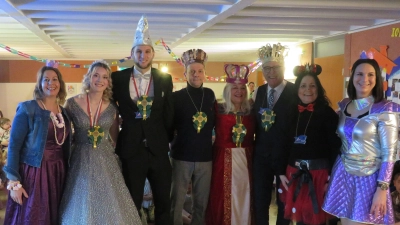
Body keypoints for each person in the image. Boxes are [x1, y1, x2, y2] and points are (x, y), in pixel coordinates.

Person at [59, 60, 141, 224]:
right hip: (80, 157)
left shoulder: (112, 107)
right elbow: (64, 132)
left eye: (104, 77)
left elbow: (114, 136)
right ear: (89, 77)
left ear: (108, 82)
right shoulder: (72, 103)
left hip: (105, 158)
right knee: (82, 196)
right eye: (96, 75)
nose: (99, 80)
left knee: (108, 198)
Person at [111, 15, 174, 224]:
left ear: (153, 53)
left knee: (164, 201)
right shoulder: (117, 79)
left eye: (147, 51)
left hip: (158, 150)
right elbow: (110, 110)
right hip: (131, 149)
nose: (143, 55)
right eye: (139, 51)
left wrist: (167, 139)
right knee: (131, 201)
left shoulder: (164, 78)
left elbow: (168, 113)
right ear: (132, 53)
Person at [322, 57, 399, 225]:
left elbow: (389, 153)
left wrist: (382, 188)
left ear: (377, 79)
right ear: (352, 77)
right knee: (345, 222)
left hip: (370, 179)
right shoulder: (344, 105)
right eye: (360, 74)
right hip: (343, 174)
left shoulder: (385, 109)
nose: (365, 79)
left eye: (370, 74)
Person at [3, 65, 72, 225]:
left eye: (54, 79)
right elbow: (14, 146)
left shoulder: (64, 112)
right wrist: (14, 182)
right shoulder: (28, 108)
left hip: (59, 172)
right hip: (35, 173)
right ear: (39, 84)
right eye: (46, 79)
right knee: (34, 217)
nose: (51, 83)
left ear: (60, 83)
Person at [277, 64, 341, 225]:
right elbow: (282, 144)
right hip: (294, 174)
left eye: (312, 85)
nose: (308, 90)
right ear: (297, 89)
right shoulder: (290, 112)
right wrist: (280, 172)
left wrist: (331, 178)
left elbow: (335, 148)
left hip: (320, 176)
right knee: (301, 220)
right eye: (303, 85)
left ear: (318, 89)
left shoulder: (327, 114)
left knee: (321, 220)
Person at [170, 49, 216, 225]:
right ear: (185, 74)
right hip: (181, 156)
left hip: (205, 157)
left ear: (205, 73)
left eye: (199, 71)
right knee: (177, 201)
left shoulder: (210, 95)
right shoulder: (176, 97)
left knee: (201, 203)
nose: (196, 75)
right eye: (192, 72)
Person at [206, 64, 255, 225]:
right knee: (222, 197)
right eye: (235, 87)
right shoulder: (218, 109)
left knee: (245, 195)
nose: (239, 91)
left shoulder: (252, 110)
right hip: (222, 161)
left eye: (242, 88)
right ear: (228, 90)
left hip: (247, 160)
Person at [252, 43, 295, 225]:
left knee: (284, 202)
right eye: (267, 68)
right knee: (260, 201)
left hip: (286, 157)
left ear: (283, 68)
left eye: (275, 68)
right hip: (261, 157)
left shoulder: (295, 91)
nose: (271, 72)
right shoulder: (259, 92)